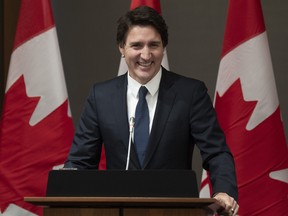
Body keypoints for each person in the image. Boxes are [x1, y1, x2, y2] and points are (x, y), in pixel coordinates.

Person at [64, 5, 239, 215]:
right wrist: (67, 186)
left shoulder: (190, 93)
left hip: (174, 212)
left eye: (153, 45)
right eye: (136, 45)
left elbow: (217, 152)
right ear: (121, 47)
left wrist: (223, 191)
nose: (145, 55)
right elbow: (81, 161)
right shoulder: (101, 96)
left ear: (163, 46)